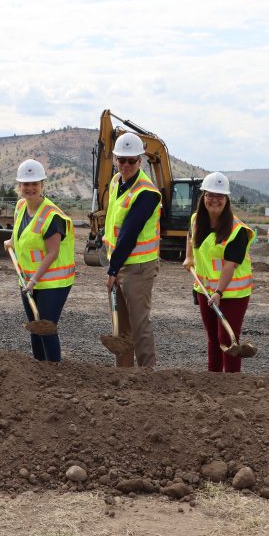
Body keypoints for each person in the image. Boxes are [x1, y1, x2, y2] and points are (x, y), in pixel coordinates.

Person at [3, 159, 75, 362]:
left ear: (42, 185)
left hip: (53, 282)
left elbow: (52, 252)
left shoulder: (52, 216)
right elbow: (23, 234)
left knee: (45, 326)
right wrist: (11, 242)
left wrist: (34, 280)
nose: (30, 188)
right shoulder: (20, 207)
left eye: (34, 183)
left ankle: (52, 370)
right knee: (34, 326)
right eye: (25, 184)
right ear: (19, 186)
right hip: (27, 279)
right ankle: (37, 370)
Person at [184, 172, 254, 373]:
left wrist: (219, 293)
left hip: (231, 293)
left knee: (228, 340)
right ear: (203, 196)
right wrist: (189, 257)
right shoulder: (197, 219)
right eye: (210, 195)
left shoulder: (237, 231)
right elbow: (190, 235)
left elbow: (229, 265)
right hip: (205, 289)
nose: (214, 200)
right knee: (213, 338)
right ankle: (213, 378)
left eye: (220, 196)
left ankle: (232, 381)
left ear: (226, 200)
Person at [103, 132, 162, 368]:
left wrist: (113, 269)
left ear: (140, 161)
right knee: (121, 324)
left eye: (131, 161)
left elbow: (129, 233)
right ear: (116, 159)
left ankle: (148, 375)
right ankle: (124, 375)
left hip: (138, 267)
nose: (125, 165)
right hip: (119, 263)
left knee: (139, 324)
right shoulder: (117, 182)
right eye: (121, 160)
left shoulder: (146, 193)